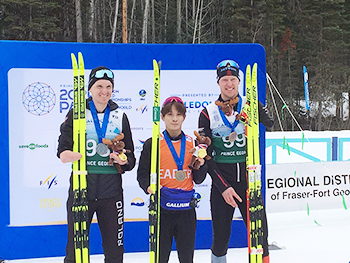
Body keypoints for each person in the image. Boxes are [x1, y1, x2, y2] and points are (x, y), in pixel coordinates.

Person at [57, 66, 136, 263]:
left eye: (108, 86)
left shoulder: (120, 116)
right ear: (90, 89)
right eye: (99, 86)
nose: (104, 91)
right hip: (82, 190)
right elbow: (63, 152)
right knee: (75, 252)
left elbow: (131, 159)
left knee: (114, 253)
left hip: (111, 195)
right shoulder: (77, 113)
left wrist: (122, 160)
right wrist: (77, 155)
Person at [198, 60, 274, 263]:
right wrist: (223, 187)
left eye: (233, 79)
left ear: (239, 82)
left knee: (260, 236)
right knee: (221, 237)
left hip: (249, 184)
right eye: (225, 80)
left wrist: (259, 108)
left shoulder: (249, 107)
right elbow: (206, 156)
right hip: (223, 184)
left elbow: (271, 124)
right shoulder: (207, 112)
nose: (229, 84)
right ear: (218, 83)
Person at [137, 97, 208, 263]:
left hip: (186, 211)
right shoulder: (153, 144)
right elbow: (142, 174)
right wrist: (148, 187)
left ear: (184, 117)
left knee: (186, 258)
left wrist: (202, 164)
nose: (174, 118)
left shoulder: (194, 144)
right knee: (160, 258)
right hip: (162, 210)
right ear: (162, 117)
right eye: (170, 114)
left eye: (178, 114)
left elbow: (199, 179)